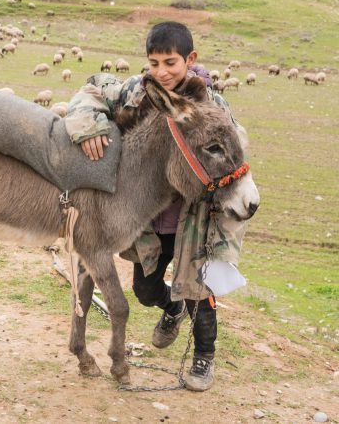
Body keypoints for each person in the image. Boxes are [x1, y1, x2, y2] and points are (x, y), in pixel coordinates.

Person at [64, 21, 248, 391]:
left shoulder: (213, 105)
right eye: (154, 62)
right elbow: (89, 92)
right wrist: (87, 128)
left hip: (193, 219)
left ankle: (203, 357)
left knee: (198, 289)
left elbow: (234, 150)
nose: (162, 72)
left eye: (171, 63)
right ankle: (170, 307)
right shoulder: (137, 91)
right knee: (146, 291)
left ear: (190, 59)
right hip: (147, 219)